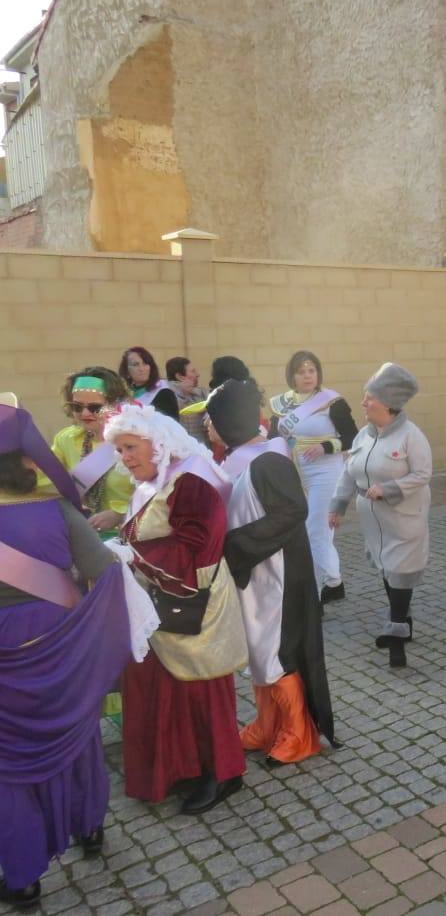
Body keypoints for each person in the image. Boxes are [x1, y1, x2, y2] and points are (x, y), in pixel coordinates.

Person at [0, 403, 152, 910]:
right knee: (77, 733)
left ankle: (22, 878)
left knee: (10, 761)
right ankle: (90, 830)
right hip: (59, 637)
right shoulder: (54, 508)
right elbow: (102, 568)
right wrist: (91, 630)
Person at [105, 405, 249, 814]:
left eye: (131, 446)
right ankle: (181, 767)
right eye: (118, 450)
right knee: (167, 691)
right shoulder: (157, 479)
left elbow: (197, 547)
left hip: (193, 603)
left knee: (201, 690)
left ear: (160, 442)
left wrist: (129, 555)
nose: (125, 457)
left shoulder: (191, 481)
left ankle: (224, 772)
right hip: (161, 604)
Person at [207, 380, 336, 765]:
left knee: (275, 652)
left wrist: (233, 546)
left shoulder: (269, 461)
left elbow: (292, 511)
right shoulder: (249, 458)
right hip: (256, 574)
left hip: (277, 577)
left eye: (212, 421)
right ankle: (268, 724)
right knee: (257, 652)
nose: (208, 428)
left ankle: (299, 734)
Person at [328, 364, 432, 668]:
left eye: (368, 398)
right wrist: (337, 506)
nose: (363, 403)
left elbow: (423, 474)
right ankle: (404, 621)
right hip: (375, 525)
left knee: (400, 571)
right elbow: (349, 472)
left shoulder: (412, 436)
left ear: (387, 403)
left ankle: (396, 638)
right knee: (388, 571)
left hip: (404, 519)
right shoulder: (363, 435)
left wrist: (388, 489)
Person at [269, 351, 358, 604]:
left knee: (314, 531)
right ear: (292, 375)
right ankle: (333, 582)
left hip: (326, 472)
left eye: (311, 370)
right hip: (294, 472)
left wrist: (326, 446)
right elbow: (274, 439)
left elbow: (353, 437)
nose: (307, 376)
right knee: (317, 532)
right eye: (301, 371)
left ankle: (315, 595)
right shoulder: (281, 404)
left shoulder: (332, 401)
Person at [49, 366, 134, 538]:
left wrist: (120, 514)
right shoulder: (66, 440)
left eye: (94, 407)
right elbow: (48, 483)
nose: (85, 413)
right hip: (85, 538)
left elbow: (159, 493)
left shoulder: (135, 441)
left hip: (132, 537)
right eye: (77, 407)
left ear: (115, 404)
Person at [119, 347, 180, 419]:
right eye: (135, 364)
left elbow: (171, 425)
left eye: (145, 363)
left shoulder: (163, 392)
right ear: (126, 371)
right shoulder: (122, 395)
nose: (141, 369)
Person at [166, 357, 208, 443]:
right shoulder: (165, 394)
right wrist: (182, 394)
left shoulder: (201, 392)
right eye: (193, 371)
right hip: (179, 448)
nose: (197, 374)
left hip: (202, 448)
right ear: (180, 376)